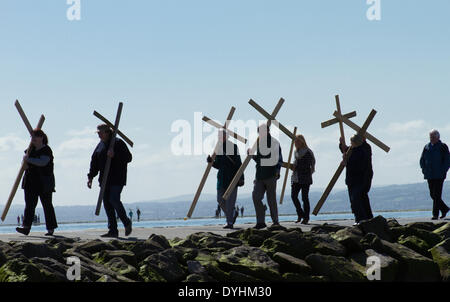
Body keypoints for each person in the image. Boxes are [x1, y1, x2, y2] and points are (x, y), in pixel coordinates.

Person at [87, 124, 133, 238]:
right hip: (104, 180)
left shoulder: (118, 143)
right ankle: (112, 230)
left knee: (114, 199)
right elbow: (94, 162)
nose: (99, 135)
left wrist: (115, 155)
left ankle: (126, 222)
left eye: (101, 133)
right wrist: (90, 177)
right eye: (98, 133)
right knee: (107, 204)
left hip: (117, 178)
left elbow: (128, 157)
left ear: (108, 132)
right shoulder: (100, 146)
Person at [16, 129, 58, 236]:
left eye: (35, 137)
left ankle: (50, 228)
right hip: (30, 182)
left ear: (41, 138)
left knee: (47, 205)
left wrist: (28, 159)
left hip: (44, 182)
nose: (33, 139)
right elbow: (24, 165)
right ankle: (26, 227)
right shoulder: (30, 150)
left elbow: (42, 162)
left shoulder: (46, 150)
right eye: (32, 137)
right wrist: (25, 160)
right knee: (29, 205)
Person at [208, 130, 243, 229]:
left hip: (232, 179)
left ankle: (230, 223)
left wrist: (241, 178)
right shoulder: (218, 148)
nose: (220, 138)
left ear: (226, 137)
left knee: (230, 202)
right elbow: (218, 165)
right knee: (220, 199)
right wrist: (211, 162)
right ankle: (232, 214)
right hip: (221, 179)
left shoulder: (233, 147)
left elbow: (239, 164)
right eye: (219, 136)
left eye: (221, 136)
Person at [250, 124, 283, 229]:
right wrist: (252, 156)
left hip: (270, 174)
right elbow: (259, 160)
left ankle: (275, 221)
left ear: (268, 131)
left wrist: (277, 171)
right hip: (259, 175)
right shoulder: (259, 143)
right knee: (256, 196)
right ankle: (260, 221)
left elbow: (279, 159)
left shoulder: (274, 142)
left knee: (271, 199)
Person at [340, 134, 373, 224]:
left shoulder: (363, 149)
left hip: (361, 179)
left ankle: (361, 218)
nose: (351, 144)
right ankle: (367, 218)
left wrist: (346, 161)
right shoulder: (356, 149)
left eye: (352, 142)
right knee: (360, 198)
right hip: (353, 179)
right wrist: (341, 144)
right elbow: (347, 151)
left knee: (356, 198)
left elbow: (356, 163)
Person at [420, 129, 450, 220]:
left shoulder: (443, 146)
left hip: (439, 175)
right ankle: (444, 209)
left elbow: (447, 160)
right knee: (432, 195)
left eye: (433, 137)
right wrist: (424, 169)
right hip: (429, 174)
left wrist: (443, 171)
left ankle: (435, 214)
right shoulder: (426, 147)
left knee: (437, 195)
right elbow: (422, 160)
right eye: (430, 137)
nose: (431, 138)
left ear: (438, 137)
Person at [290, 134, 316, 225]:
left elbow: (307, 166)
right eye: (295, 142)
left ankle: (306, 217)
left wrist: (296, 166)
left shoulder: (307, 152)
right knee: (293, 196)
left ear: (302, 142)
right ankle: (300, 214)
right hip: (296, 178)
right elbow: (296, 163)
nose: (296, 143)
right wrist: (294, 166)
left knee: (304, 198)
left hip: (305, 178)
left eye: (297, 141)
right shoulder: (296, 152)